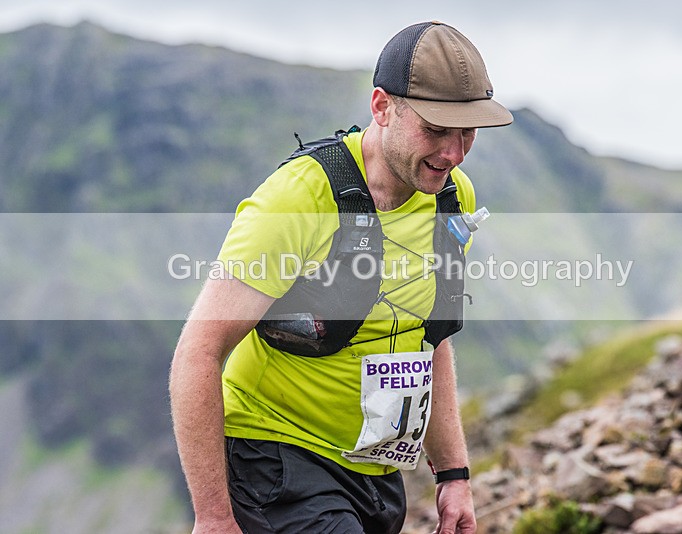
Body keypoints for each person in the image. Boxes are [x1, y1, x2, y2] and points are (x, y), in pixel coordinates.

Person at [170, 21, 513, 534]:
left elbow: (429, 338)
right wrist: (214, 517)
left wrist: (454, 475)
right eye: (436, 130)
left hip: (377, 473)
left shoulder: (450, 197)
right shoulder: (297, 200)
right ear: (381, 107)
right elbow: (199, 351)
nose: (453, 153)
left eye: (468, 133)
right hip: (277, 460)